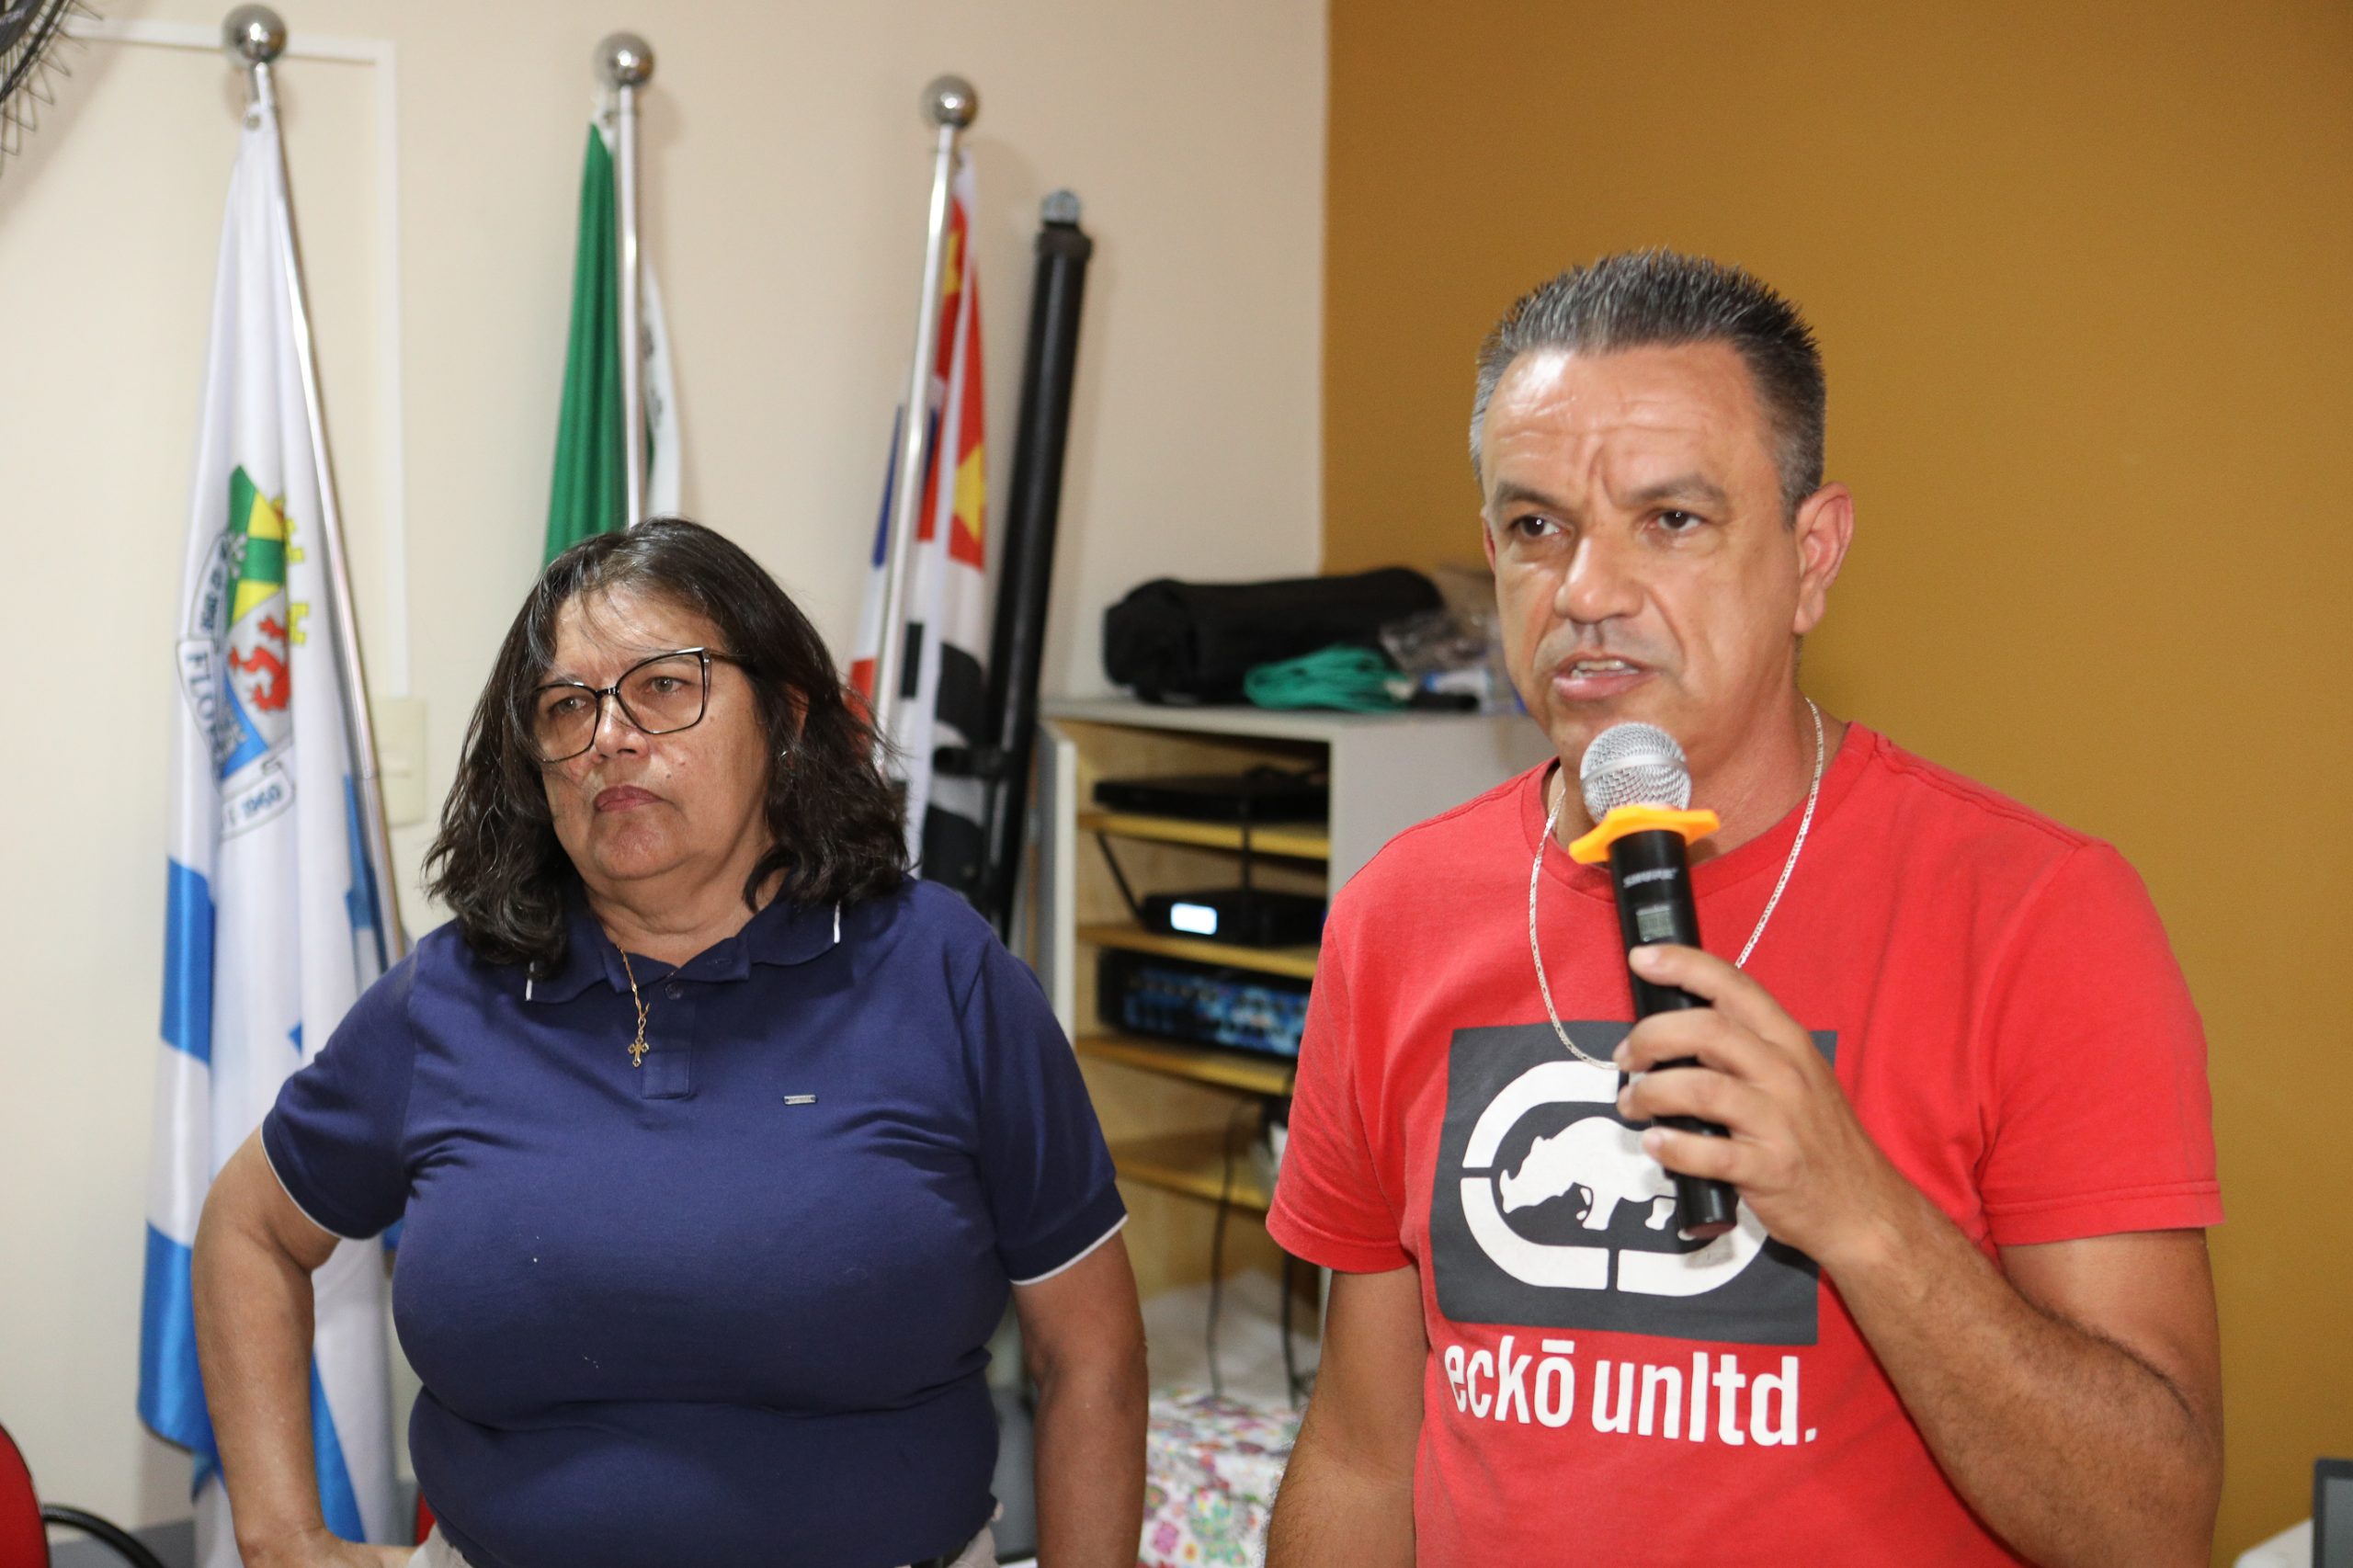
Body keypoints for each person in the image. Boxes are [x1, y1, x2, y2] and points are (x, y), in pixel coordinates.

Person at [1264, 251, 2222, 1566]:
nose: (1586, 591)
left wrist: (1864, 1210)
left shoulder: (2039, 913)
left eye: (1672, 519)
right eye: (1537, 526)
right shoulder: (1394, 916)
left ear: (1810, 556)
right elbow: (1365, 1453)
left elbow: (2149, 1526)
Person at [192, 518, 1147, 1568]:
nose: (609, 736)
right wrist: (282, 1535)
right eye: (568, 706)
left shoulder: (942, 970)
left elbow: (1089, 1352)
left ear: (785, 715)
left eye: (663, 685)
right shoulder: (453, 991)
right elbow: (250, 1228)